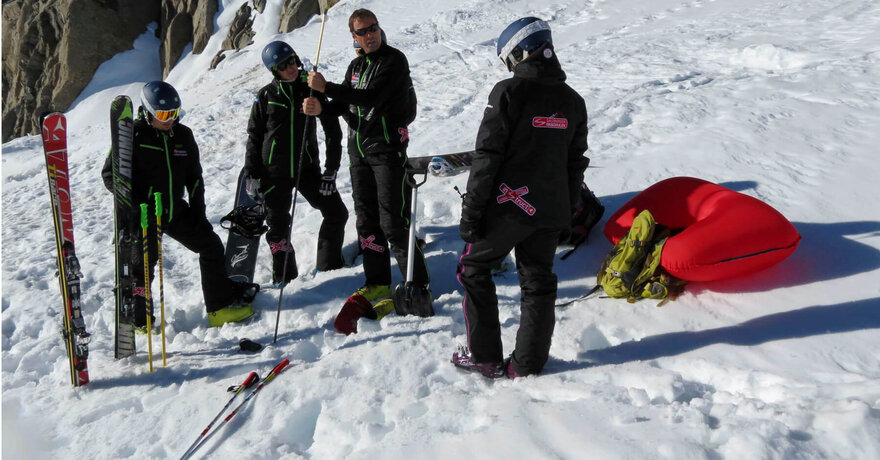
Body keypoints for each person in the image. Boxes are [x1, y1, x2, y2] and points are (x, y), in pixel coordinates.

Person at [451, 17, 590, 378]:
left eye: (508, 60)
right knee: (538, 281)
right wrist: (568, 212)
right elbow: (575, 165)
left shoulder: (508, 93)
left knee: (473, 268)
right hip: (549, 210)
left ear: (520, 53)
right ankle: (526, 365)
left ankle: (484, 357)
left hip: (508, 207)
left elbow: (487, 157)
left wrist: (472, 212)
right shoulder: (573, 101)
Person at [303, 8, 431, 313]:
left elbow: (372, 97)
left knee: (393, 222)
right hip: (358, 153)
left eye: (372, 28)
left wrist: (326, 88)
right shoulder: (355, 66)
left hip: (386, 150)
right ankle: (377, 282)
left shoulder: (394, 60)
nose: (369, 35)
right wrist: (319, 106)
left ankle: (418, 283)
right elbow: (344, 104)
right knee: (366, 222)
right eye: (362, 31)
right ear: (354, 36)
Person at [102, 81, 258, 329]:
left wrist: (199, 214)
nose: (170, 120)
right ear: (148, 111)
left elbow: (194, 179)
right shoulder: (132, 136)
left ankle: (219, 309)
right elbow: (110, 176)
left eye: (174, 113)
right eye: (163, 115)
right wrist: (135, 206)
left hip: (174, 210)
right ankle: (140, 322)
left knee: (211, 246)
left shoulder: (183, 136)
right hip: (144, 213)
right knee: (143, 264)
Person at [245, 41, 348, 286]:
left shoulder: (311, 89)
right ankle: (285, 280)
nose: (291, 67)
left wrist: (330, 171)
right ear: (274, 70)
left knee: (336, 213)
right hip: (274, 173)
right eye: (283, 65)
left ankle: (329, 267)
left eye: (292, 60)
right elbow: (254, 136)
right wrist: (252, 174)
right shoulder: (266, 96)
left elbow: (333, 131)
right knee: (278, 228)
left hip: (308, 168)